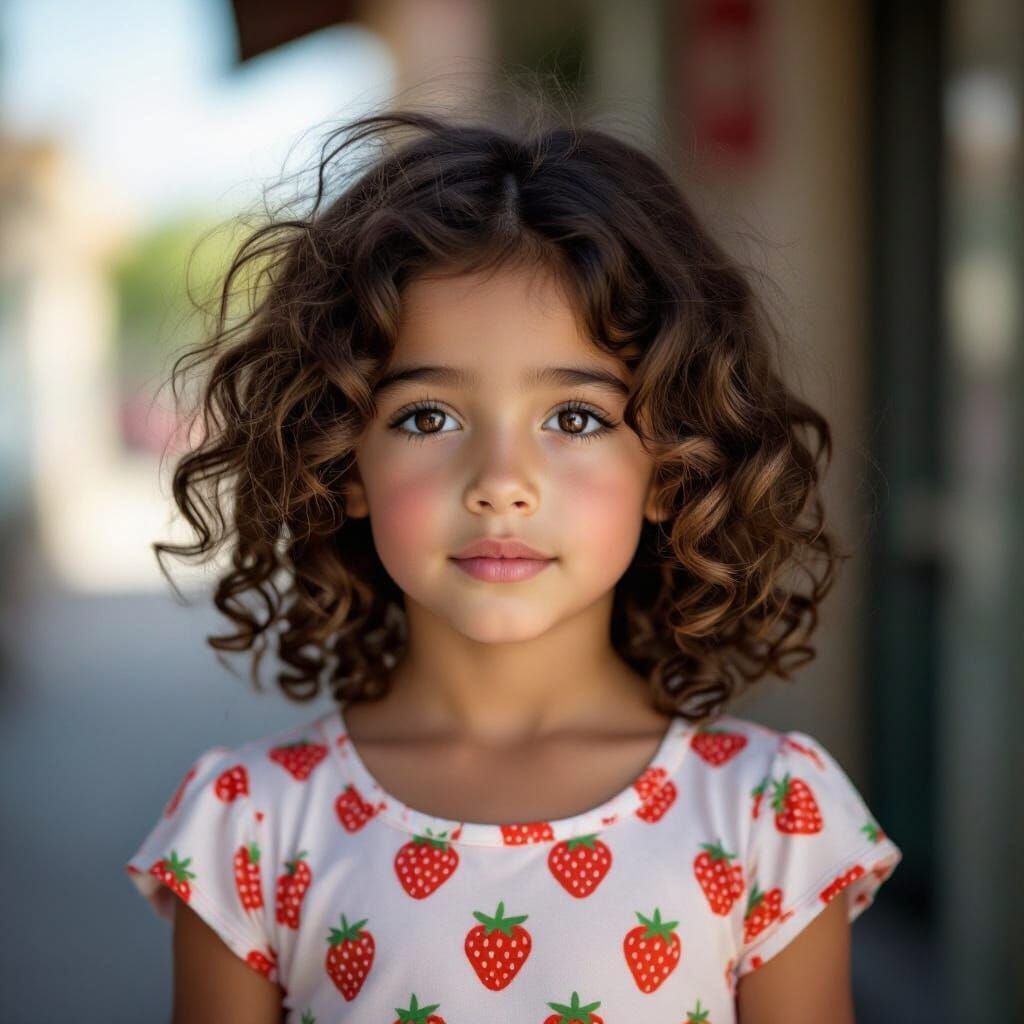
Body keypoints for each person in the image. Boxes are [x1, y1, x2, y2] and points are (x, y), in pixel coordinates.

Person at [123, 87, 902, 1024]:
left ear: (671, 466)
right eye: (428, 417)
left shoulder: (773, 815)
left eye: (574, 418)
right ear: (343, 457)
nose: (501, 481)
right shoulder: (249, 826)